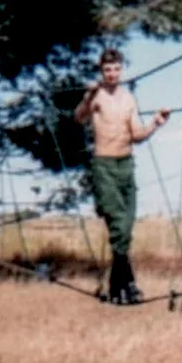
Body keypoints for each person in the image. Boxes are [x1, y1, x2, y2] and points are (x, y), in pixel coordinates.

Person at [74, 48, 170, 305]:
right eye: (107, 70)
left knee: (126, 227)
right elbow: (79, 117)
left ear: (121, 70)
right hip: (104, 165)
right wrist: (88, 97)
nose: (112, 74)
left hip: (126, 165)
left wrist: (156, 123)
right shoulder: (95, 96)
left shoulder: (128, 98)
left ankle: (118, 288)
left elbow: (137, 135)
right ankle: (128, 285)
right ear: (101, 71)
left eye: (116, 69)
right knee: (118, 227)